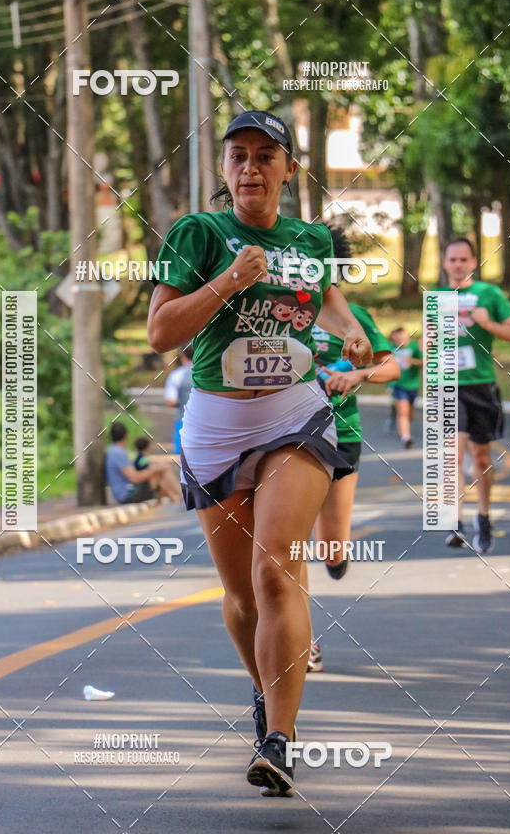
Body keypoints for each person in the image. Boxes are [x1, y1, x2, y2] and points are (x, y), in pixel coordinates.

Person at [147, 110, 372, 797]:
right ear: (223, 169)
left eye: (264, 156)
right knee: (242, 592)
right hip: (215, 425)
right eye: (238, 156)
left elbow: (329, 305)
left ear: (288, 169)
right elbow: (161, 332)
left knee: (276, 570)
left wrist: (354, 333)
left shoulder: (309, 239)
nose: (250, 167)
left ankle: (280, 738)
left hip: (294, 415)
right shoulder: (200, 234)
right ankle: (264, 689)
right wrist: (230, 282)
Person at [304, 261, 400, 672]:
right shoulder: (271, 311)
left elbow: (391, 367)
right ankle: (303, 641)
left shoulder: (353, 317)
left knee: (329, 549)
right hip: (286, 436)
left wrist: (356, 375)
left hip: (341, 435)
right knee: (285, 544)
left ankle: (337, 556)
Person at [440, 237, 510, 553]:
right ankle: (455, 522)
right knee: (453, 453)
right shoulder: (438, 298)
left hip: (481, 384)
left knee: (481, 456)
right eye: (452, 259)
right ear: (445, 263)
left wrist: (488, 324)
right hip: (448, 386)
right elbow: (429, 346)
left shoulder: (489, 294)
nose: (458, 264)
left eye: (463, 260)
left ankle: (483, 517)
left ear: (473, 263)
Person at [105, 422, 182, 505]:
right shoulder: (118, 452)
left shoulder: (113, 450)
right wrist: (155, 469)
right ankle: (181, 496)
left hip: (126, 492)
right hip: (127, 495)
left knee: (160, 472)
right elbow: (134, 478)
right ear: (126, 435)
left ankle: (176, 498)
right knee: (163, 468)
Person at [387, 326, 423, 448]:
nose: (400, 340)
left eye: (402, 337)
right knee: (403, 411)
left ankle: (394, 418)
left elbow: (424, 362)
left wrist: (412, 361)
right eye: (397, 338)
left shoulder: (414, 347)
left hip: (412, 385)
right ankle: (405, 437)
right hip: (397, 384)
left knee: (409, 413)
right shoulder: (391, 349)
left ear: (407, 337)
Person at [164, 347, 194, 453]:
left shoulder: (176, 375)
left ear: (182, 356)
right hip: (204, 423)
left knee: (181, 457)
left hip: (182, 421)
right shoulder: (206, 374)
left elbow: (171, 401)